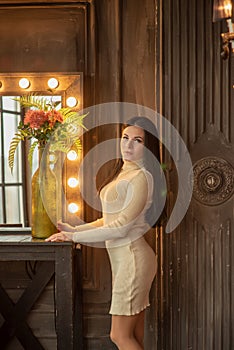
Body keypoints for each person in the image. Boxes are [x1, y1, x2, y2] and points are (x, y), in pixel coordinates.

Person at [46, 116, 165, 350]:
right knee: (134, 336)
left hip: (133, 260)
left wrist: (74, 237)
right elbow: (108, 220)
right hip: (126, 261)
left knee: (119, 336)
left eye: (137, 140)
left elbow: (120, 228)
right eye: (125, 138)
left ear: (148, 147)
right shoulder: (124, 172)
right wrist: (75, 229)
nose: (128, 145)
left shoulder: (142, 177)